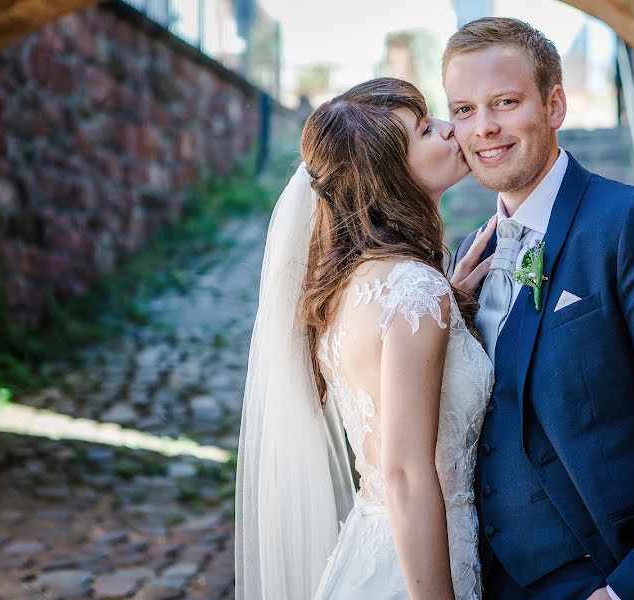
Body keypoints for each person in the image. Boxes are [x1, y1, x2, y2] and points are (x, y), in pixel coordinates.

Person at [444, 17, 634, 600]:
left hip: (612, 575)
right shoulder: (469, 255)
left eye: (505, 102)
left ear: (554, 105)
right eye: (463, 110)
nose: (483, 128)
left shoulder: (633, 224)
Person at [235, 77, 495, 600]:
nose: (451, 130)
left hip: (370, 550)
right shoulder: (414, 291)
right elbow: (403, 473)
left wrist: (453, 303)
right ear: (391, 175)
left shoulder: (351, 285)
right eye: (425, 129)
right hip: (421, 568)